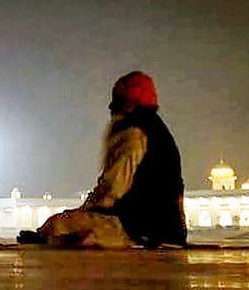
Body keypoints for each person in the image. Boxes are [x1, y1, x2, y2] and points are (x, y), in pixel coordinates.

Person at [25, 71, 187, 249]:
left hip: (140, 229)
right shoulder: (157, 130)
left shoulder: (133, 133)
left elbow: (113, 189)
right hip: (168, 229)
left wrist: (86, 211)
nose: (111, 107)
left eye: (116, 100)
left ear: (130, 102)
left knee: (58, 225)